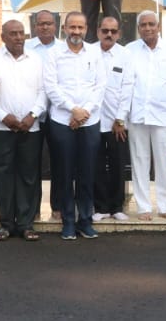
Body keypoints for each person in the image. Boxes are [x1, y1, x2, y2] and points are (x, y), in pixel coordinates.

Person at [122, 11, 166, 221]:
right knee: (139, 162)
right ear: (138, 28)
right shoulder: (129, 50)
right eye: (143, 25)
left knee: (164, 163)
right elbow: (123, 83)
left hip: (164, 115)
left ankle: (165, 206)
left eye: (152, 24)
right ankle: (143, 207)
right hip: (137, 115)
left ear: (158, 27)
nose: (148, 28)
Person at [44, 12, 104, 239]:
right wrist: (73, 110)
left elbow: (100, 86)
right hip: (62, 120)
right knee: (64, 172)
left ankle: (85, 220)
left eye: (80, 27)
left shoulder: (95, 53)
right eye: (72, 27)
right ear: (65, 28)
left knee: (87, 173)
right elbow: (51, 87)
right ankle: (68, 221)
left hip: (90, 120)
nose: (76, 31)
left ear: (86, 29)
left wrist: (83, 112)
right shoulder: (54, 54)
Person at [0, 20, 47, 241]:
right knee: (3, 175)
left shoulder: (36, 59)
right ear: (3, 37)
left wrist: (33, 115)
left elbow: (44, 91)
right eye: (13, 34)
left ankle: (25, 224)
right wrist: (4, 117)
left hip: (30, 128)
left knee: (28, 175)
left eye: (21, 33)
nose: (19, 37)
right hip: (1, 128)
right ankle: (6, 224)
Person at [94, 17, 134, 222]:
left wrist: (120, 119)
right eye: (105, 30)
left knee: (118, 164)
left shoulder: (125, 55)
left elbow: (127, 88)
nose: (109, 34)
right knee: (97, 165)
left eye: (113, 31)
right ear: (98, 31)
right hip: (92, 120)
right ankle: (101, 207)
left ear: (119, 34)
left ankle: (117, 206)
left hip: (116, 122)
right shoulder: (89, 52)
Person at [27, 9, 62, 219]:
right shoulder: (27, 48)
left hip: (58, 114)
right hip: (32, 114)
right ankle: (33, 208)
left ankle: (58, 206)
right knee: (32, 163)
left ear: (56, 26)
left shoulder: (64, 49)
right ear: (35, 26)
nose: (45, 27)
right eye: (41, 23)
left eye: (49, 23)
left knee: (59, 161)